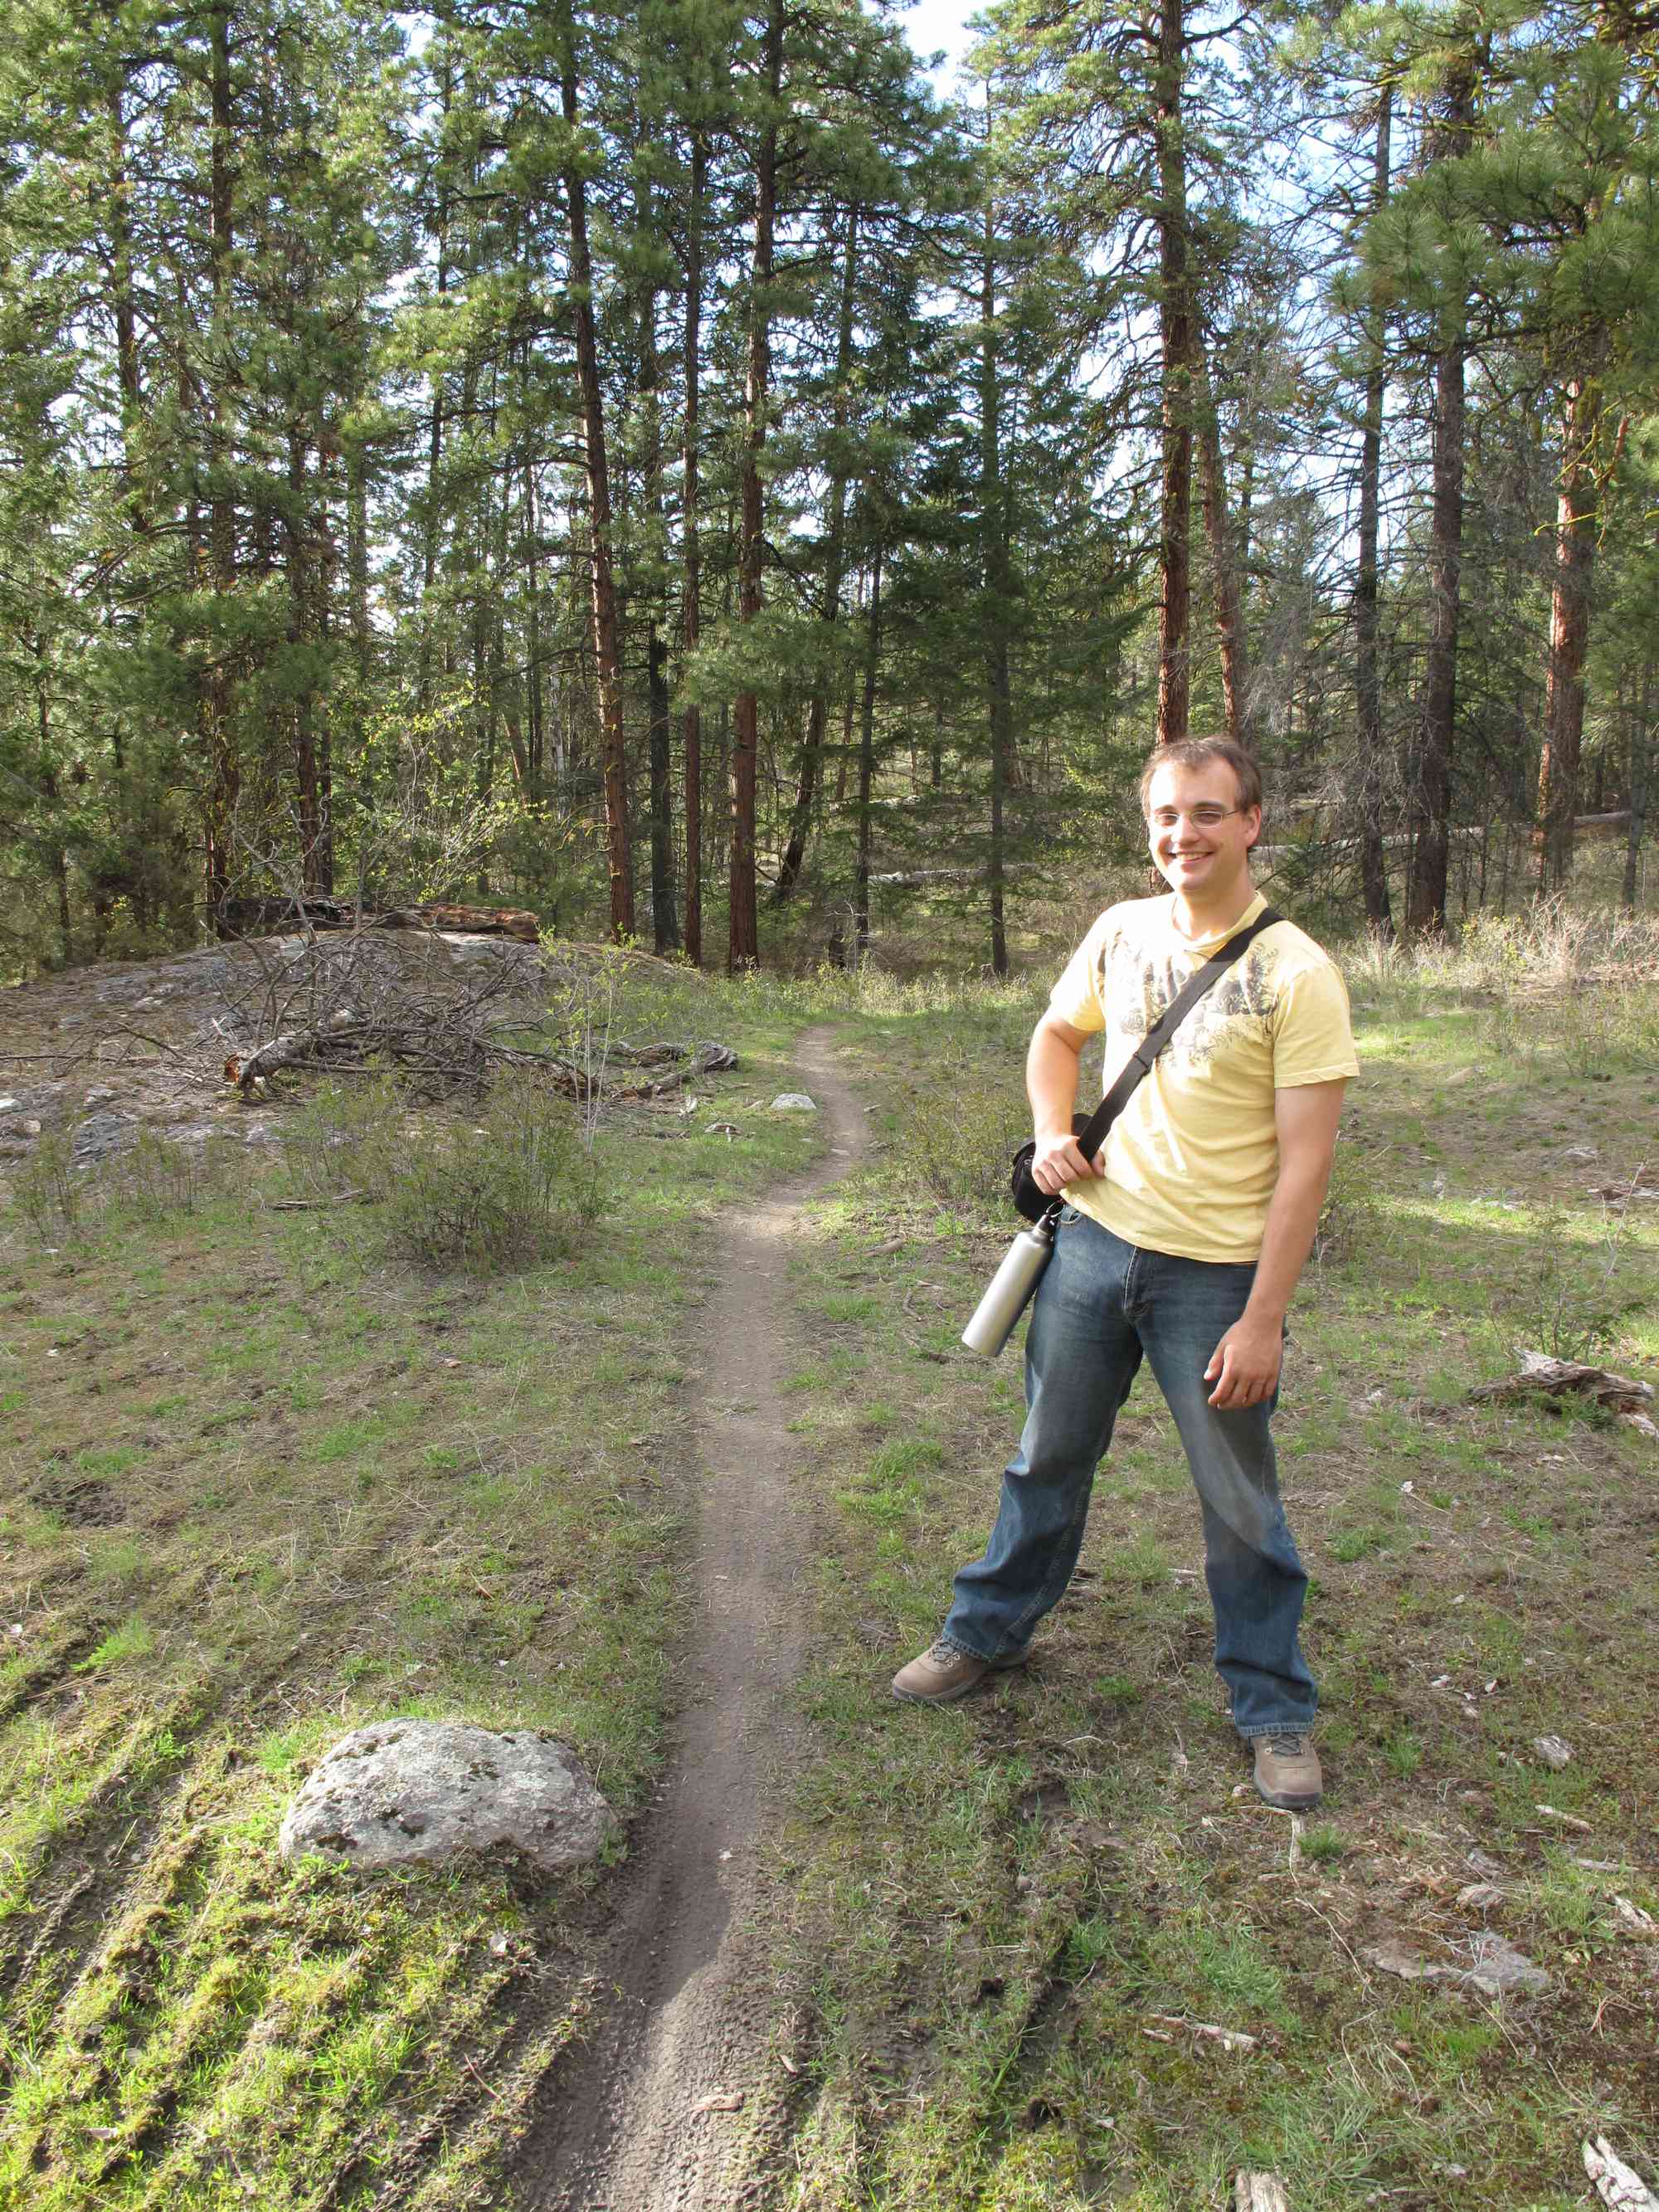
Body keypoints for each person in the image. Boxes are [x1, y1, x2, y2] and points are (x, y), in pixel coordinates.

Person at [892, 738, 1358, 1811]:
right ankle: (986, 1632)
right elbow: (1057, 1034)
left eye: (1207, 813)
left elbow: (1306, 1169)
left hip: (1216, 1280)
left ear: (1252, 823)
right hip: (1094, 1251)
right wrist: (1054, 1130)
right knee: (1046, 1457)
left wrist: (1263, 1319)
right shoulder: (1121, 929)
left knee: (1238, 1501)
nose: (1183, 834)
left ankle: (1273, 1706)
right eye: (1166, 815)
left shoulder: (1297, 973)